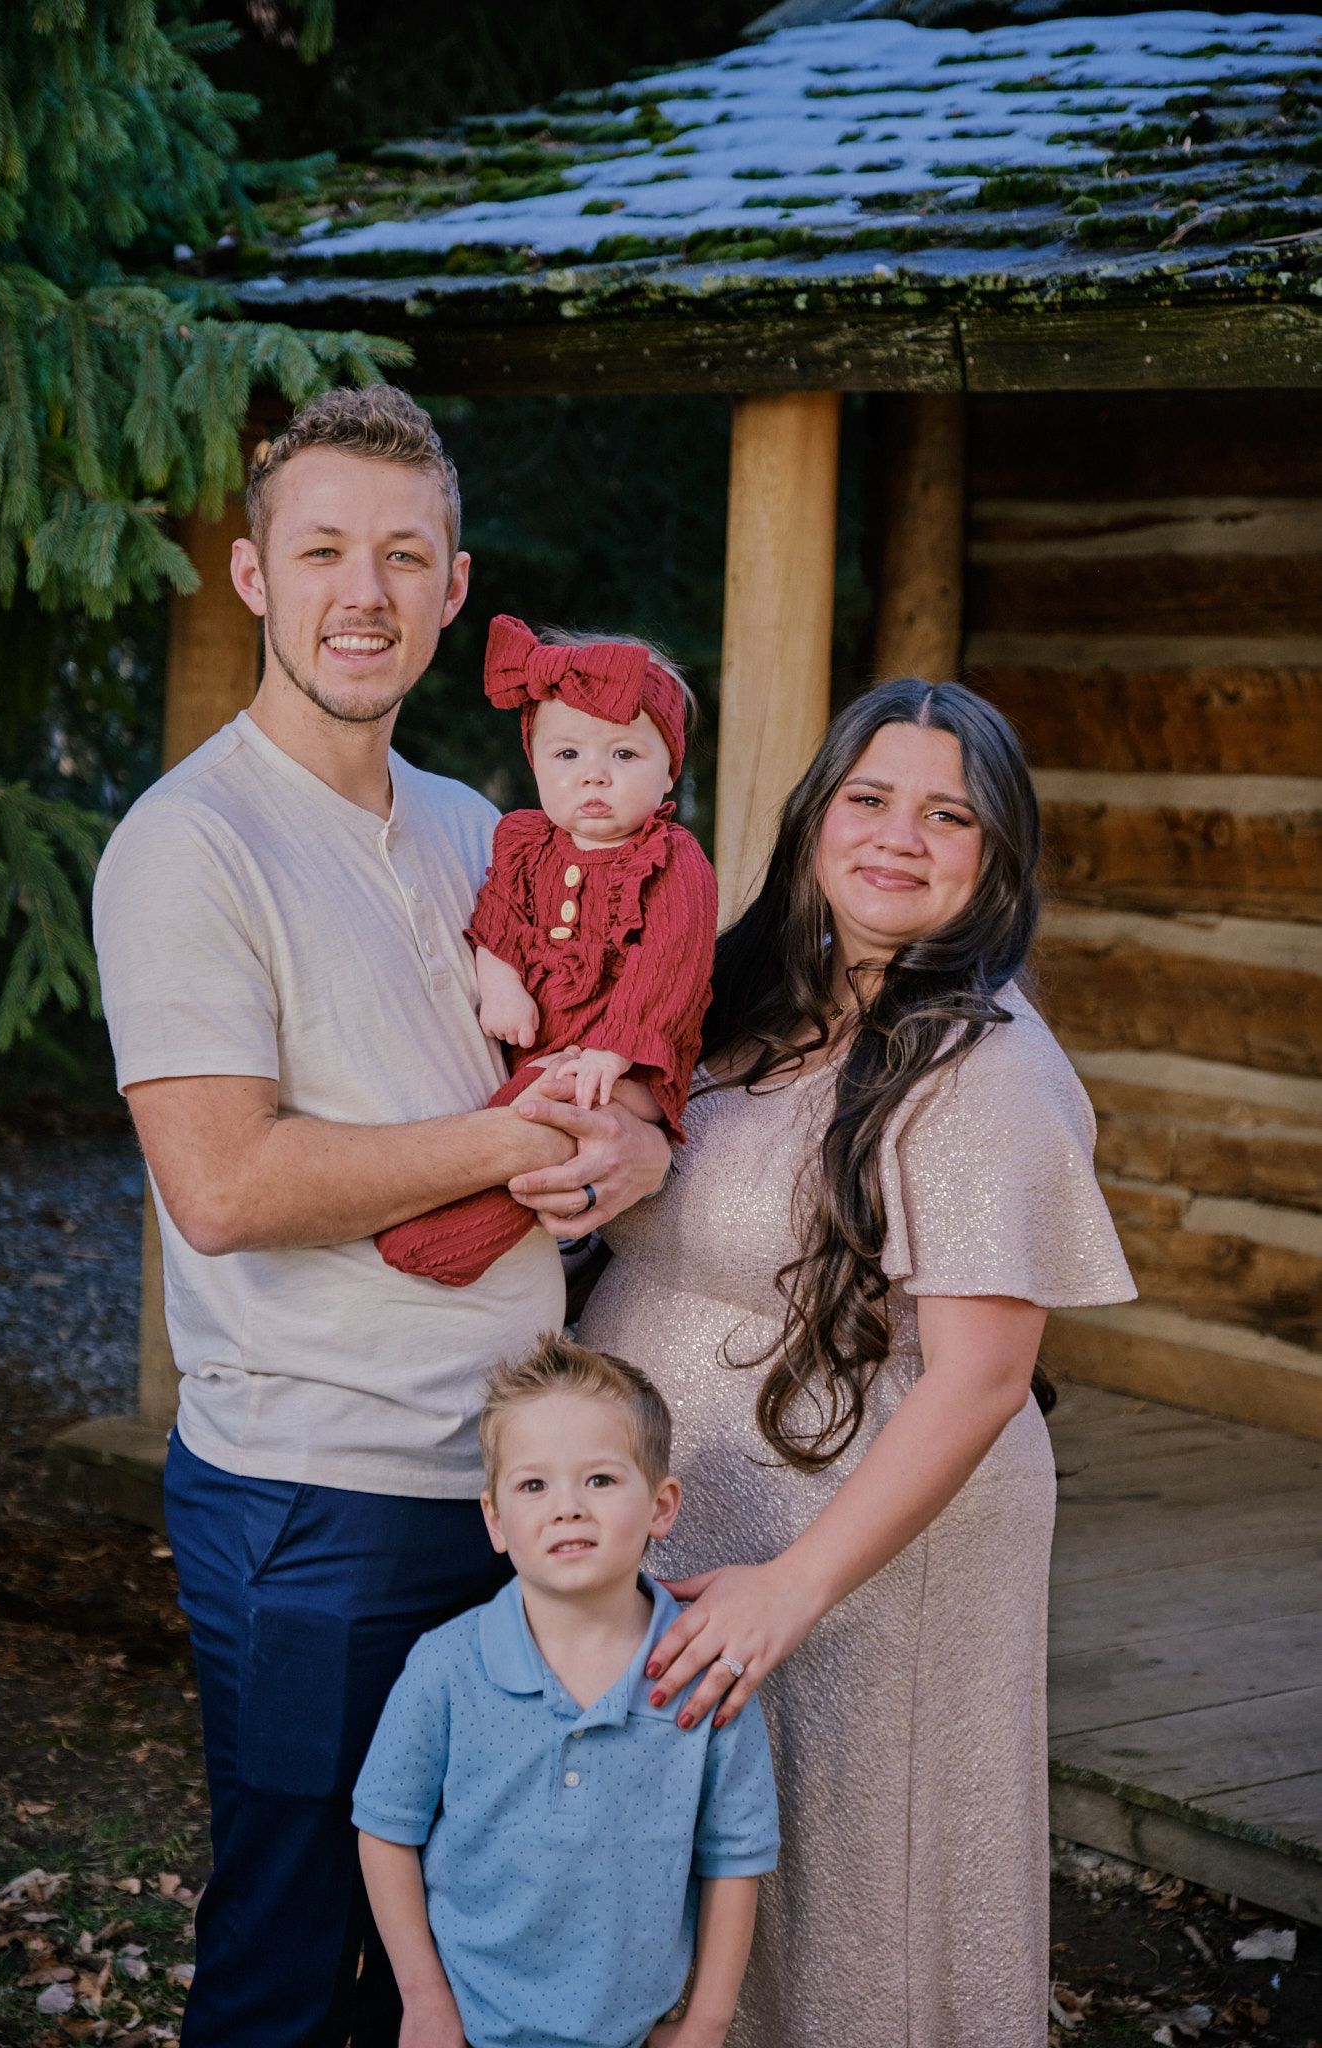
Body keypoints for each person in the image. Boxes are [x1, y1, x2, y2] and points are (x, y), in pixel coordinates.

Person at [91, 384, 671, 2048]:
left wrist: (625, 1139)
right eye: (326, 548)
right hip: (316, 1496)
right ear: (252, 572)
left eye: (404, 555)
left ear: (456, 584)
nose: (367, 591)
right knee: (294, 1947)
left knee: (459, 1952)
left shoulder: (477, 822)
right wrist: (505, 1138)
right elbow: (224, 1184)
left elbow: (592, 1057)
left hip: (502, 1486)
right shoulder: (191, 844)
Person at [579, 679, 1137, 2048]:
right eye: (869, 798)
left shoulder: (982, 1065)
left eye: (948, 814)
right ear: (816, 816)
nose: (899, 836)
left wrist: (789, 1589)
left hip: (851, 1570)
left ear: (997, 857)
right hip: (693, 1527)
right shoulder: (752, 1000)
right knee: (712, 1908)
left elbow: (982, 1376)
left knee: (845, 1912)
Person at [355, 1332, 778, 2048]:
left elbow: (733, 1857)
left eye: (600, 1480)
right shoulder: (447, 1668)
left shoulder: (702, 1671)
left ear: (661, 1504)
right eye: (532, 1485)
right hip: (472, 2028)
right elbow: (385, 1830)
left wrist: (706, 2023)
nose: (567, 1508)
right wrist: (424, 2001)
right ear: (494, 1519)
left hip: (631, 2034)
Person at [377, 615, 718, 1288]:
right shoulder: (524, 842)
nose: (594, 777)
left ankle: (459, 1238)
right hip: (545, 1051)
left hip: (631, 1066)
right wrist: (499, 983)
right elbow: (496, 921)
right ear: (534, 762)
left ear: (666, 768)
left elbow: (668, 969)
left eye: (623, 756)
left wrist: (611, 1050)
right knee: (518, 1108)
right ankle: (445, 1212)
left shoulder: (672, 859)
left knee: (545, 1121)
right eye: (568, 757)